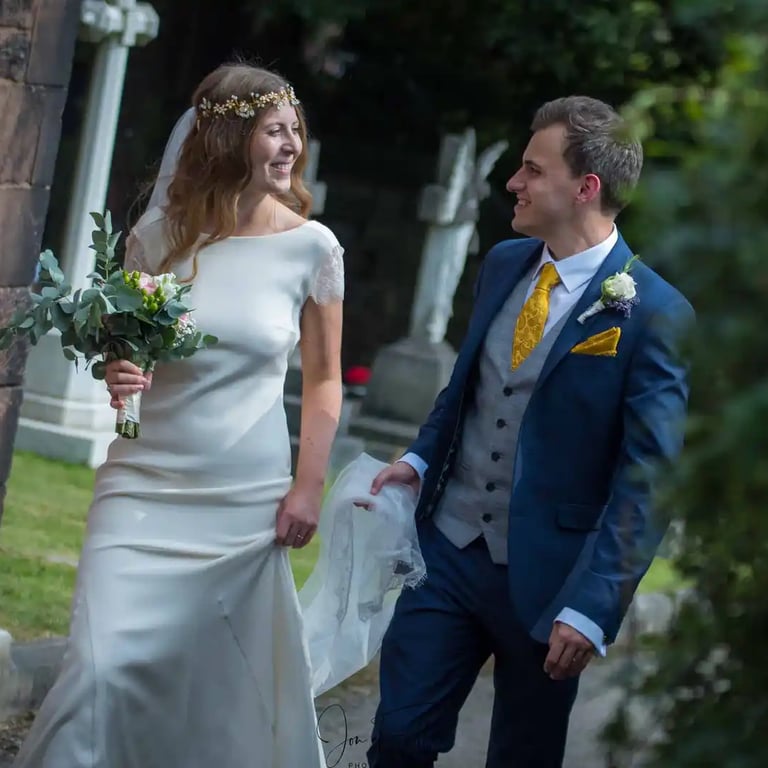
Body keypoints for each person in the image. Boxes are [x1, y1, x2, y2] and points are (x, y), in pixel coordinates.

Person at [14, 63, 344, 768]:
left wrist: (308, 485)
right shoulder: (158, 238)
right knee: (97, 674)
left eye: (296, 131)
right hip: (141, 488)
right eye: (273, 130)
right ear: (228, 139)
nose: (290, 146)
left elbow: (323, 381)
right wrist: (118, 373)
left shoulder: (313, 250)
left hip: (241, 502)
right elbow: (125, 362)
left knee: (215, 691)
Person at [365, 96, 694, 768]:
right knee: (397, 738)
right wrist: (423, 460)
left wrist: (594, 607)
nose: (513, 183)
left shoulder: (654, 312)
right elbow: (466, 387)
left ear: (586, 187)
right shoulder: (505, 263)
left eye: (530, 170)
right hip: (448, 553)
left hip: (553, 585)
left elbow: (649, 480)